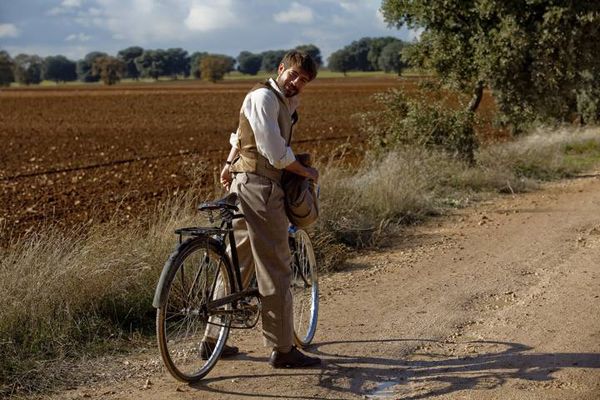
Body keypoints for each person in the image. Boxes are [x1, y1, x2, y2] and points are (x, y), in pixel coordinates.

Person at [202, 50, 321, 368]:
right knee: (275, 266)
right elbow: (274, 151)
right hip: (261, 188)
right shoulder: (265, 98)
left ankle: (213, 339)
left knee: (237, 259)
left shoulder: (282, 101)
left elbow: (241, 135)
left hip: (246, 184)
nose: (297, 82)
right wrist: (304, 172)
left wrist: (229, 164)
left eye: (304, 80)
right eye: (293, 74)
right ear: (281, 69)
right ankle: (283, 349)